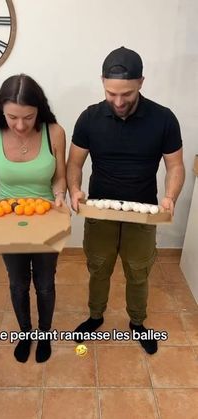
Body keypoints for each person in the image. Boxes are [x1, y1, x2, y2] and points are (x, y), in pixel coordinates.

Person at [67, 46, 185, 354]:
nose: (119, 102)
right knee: (99, 267)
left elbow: (175, 165)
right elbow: (74, 164)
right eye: (111, 93)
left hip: (143, 212)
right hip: (100, 210)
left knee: (138, 269)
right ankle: (95, 316)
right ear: (102, 82)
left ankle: (137, 323)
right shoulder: (89, 117)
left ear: (141, 82)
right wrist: (75, 189)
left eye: (127, 95)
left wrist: (170, 196)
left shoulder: (163, 119)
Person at [0, 74, 67, 363]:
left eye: (28, 117)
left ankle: (44, 334)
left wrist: (60, 196)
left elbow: (59, 179)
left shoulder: (54, 132)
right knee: (18, 283)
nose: (20, 125)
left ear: (40, 110)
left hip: (47, 220)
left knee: (45, 284)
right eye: (12, 117)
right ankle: (26, 333)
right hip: (8, 222)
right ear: (1, 110)